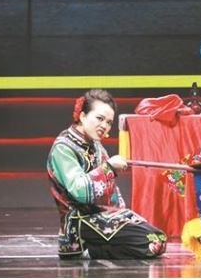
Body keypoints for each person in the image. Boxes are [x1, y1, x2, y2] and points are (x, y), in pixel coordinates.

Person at [47, 88, 167, 259]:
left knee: (158, 240)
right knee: (152, 243)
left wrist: (123, 214)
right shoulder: (64, 148)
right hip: (79, 220)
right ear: (82, 116)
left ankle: (94, 248)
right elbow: (80, 191)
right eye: (100, 119)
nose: (104, 126)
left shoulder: (95, 145)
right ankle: (85, 248)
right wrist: (109, 167)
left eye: (109, 122)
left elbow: (111, 190)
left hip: (101, 215)